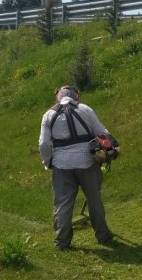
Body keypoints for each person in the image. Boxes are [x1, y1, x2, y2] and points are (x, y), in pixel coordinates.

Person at [38, 86, 115, 250]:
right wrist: (111, 149)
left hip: (61, 165)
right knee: (94, 200)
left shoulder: (48, 115)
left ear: (57, 97)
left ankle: (62, 242)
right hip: (87, 162)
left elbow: (44, 144)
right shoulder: (85, 109)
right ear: (77, 96)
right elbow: (102, 133)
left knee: (62, 204)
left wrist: (48, 162)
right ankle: (103, 236)